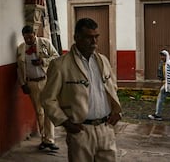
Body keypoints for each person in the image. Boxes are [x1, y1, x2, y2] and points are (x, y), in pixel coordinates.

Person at [41, 18, 122, 162]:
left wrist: (116, 111)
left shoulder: (103, 60)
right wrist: (66, 123)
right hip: (81, 131)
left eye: (96, 37)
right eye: (89, 37)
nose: (94, 42)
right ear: (76, 37)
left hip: (106, 128)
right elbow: (48, 99)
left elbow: (112, 88)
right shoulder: (60, 65)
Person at [17, 25, 60, 150]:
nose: (28, 41)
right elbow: (19, 69)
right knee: (39, 112)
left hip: (45, 81)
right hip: (31, 83)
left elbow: (56, 57)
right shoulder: (21, 49)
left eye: (30, 37)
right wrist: (22, 84)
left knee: (49, 110)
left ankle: (50, 139)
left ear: (34, 34)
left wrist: (43, 61)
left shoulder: (45, 43)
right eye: (26, 39)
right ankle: (44, 138)